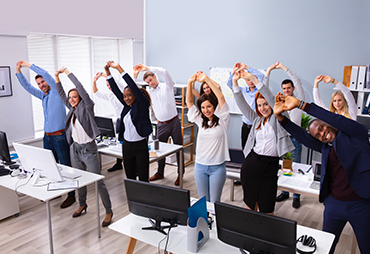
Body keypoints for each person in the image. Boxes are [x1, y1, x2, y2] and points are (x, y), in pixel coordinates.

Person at [273, 90, 370, 254]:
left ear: (328, 123)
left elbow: (337, 119)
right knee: (324, 248)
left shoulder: (356, 133)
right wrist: (281, 119)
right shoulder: (325, 147)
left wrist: (302, 105)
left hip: (361, 205)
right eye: (318, 135)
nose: (322, 132)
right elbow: (303, 137)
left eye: (322, 127)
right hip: (334, 205)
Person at [55, 67, 113, 227]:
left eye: (75, 97)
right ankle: (82, 204)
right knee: (78, 179)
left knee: (98, 182)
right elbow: (61, 94)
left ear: (80, 97)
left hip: (89, 150)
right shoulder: (71, 109)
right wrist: (56, 78)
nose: (72, 99)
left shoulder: (87, 106)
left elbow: (79, 86)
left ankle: (108, 211)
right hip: (76, 149)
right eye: (70, 97)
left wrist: (67, 73)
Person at [15, 61, 76, 209]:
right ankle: (56, 191)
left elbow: (48, 75)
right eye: (39, 83)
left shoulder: (56, 91)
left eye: (43, 82)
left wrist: (28, 65)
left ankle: (71, 195)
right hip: (47, 137)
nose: (41, 85)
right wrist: (18, 72)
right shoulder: (44, 96)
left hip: (59, 136)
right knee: (50, 167)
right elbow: (27, 87)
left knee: (65, 165)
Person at [232, 70, 294, 214]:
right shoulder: (256, 120)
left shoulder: (279, 117)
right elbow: (241, 103)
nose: (263, 108)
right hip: (252, 165)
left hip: (270, 167)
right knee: (250, 207)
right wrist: (235, 82)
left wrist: (252, 78)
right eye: (259, 105)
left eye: (265, 104)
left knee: (267, 210)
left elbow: (271, 98)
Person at [133, 64, 184, 186]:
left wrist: (148, 68)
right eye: (147, 82)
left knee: (179, 149)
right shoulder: (149, 92)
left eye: (150, 80)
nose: (150, 83)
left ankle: (180, 174)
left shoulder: (167, 87)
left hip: (174, 122)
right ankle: (160, 172)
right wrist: (135, 76)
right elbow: (134, 90)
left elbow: (165, 72)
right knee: (159, 150)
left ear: (155, 77)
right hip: (161, 125)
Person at [265, 62, 305, 209]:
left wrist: (283, 68)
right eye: (284, 89)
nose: (287, 90)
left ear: (293, 89)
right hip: (282, 138)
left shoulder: (298, 99)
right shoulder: (279, 102)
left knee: (295, 166)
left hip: (296, 139)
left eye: (289, 88)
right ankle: (284, 192)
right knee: (283, 167)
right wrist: (269, 71)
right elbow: (265, 90)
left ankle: (296, 195)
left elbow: (297, 81)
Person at [104, 61, 152, 182]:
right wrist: (108, 72)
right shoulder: (126, 107)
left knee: (143, 179)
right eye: (125, 96)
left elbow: (133, 86)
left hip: (140, 146)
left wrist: (119, 68)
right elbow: (115, 90)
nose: (126, 98)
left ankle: (144, 200)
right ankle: (132, 201)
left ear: (136, 95)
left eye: (129, 95)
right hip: (127, 147)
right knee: (130, 178)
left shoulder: (142, 105)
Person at [186, 71, 230, 202]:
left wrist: (207, 79)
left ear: (215, 106)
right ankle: (206, 223)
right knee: (203, 201)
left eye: (209, 106)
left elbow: (221, 97)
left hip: (217, 167)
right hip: (200, 166)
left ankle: (215, 223)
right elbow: (189, 102)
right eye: (203, 107)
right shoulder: (200, 120)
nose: (206, 110)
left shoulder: (223, 120)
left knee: (215, 202)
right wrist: (189, 83)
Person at [226, 62, 265, 149]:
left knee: (257, 149)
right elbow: (230, 84)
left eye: (252, 79)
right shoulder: (243, 90)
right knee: (245, 148)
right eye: (248, 80)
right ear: (245, 81)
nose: (250, 82)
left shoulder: (260, 90)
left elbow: (262, 76)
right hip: (245, 126)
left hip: (257, 126)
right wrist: (233, 73)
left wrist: (246, 67)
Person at [92, 72, 124, 172]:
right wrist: (94, 81)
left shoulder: (123, 92)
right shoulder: (110, 96)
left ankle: (132, 164)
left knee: (128, 143)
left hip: (128, 120)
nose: (109, 87)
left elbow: (116, 81)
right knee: (120, 142)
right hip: (119, 121)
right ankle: (119, 163)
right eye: (107, 85)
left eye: (110, 84)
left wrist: (103, 74)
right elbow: (96, 93)